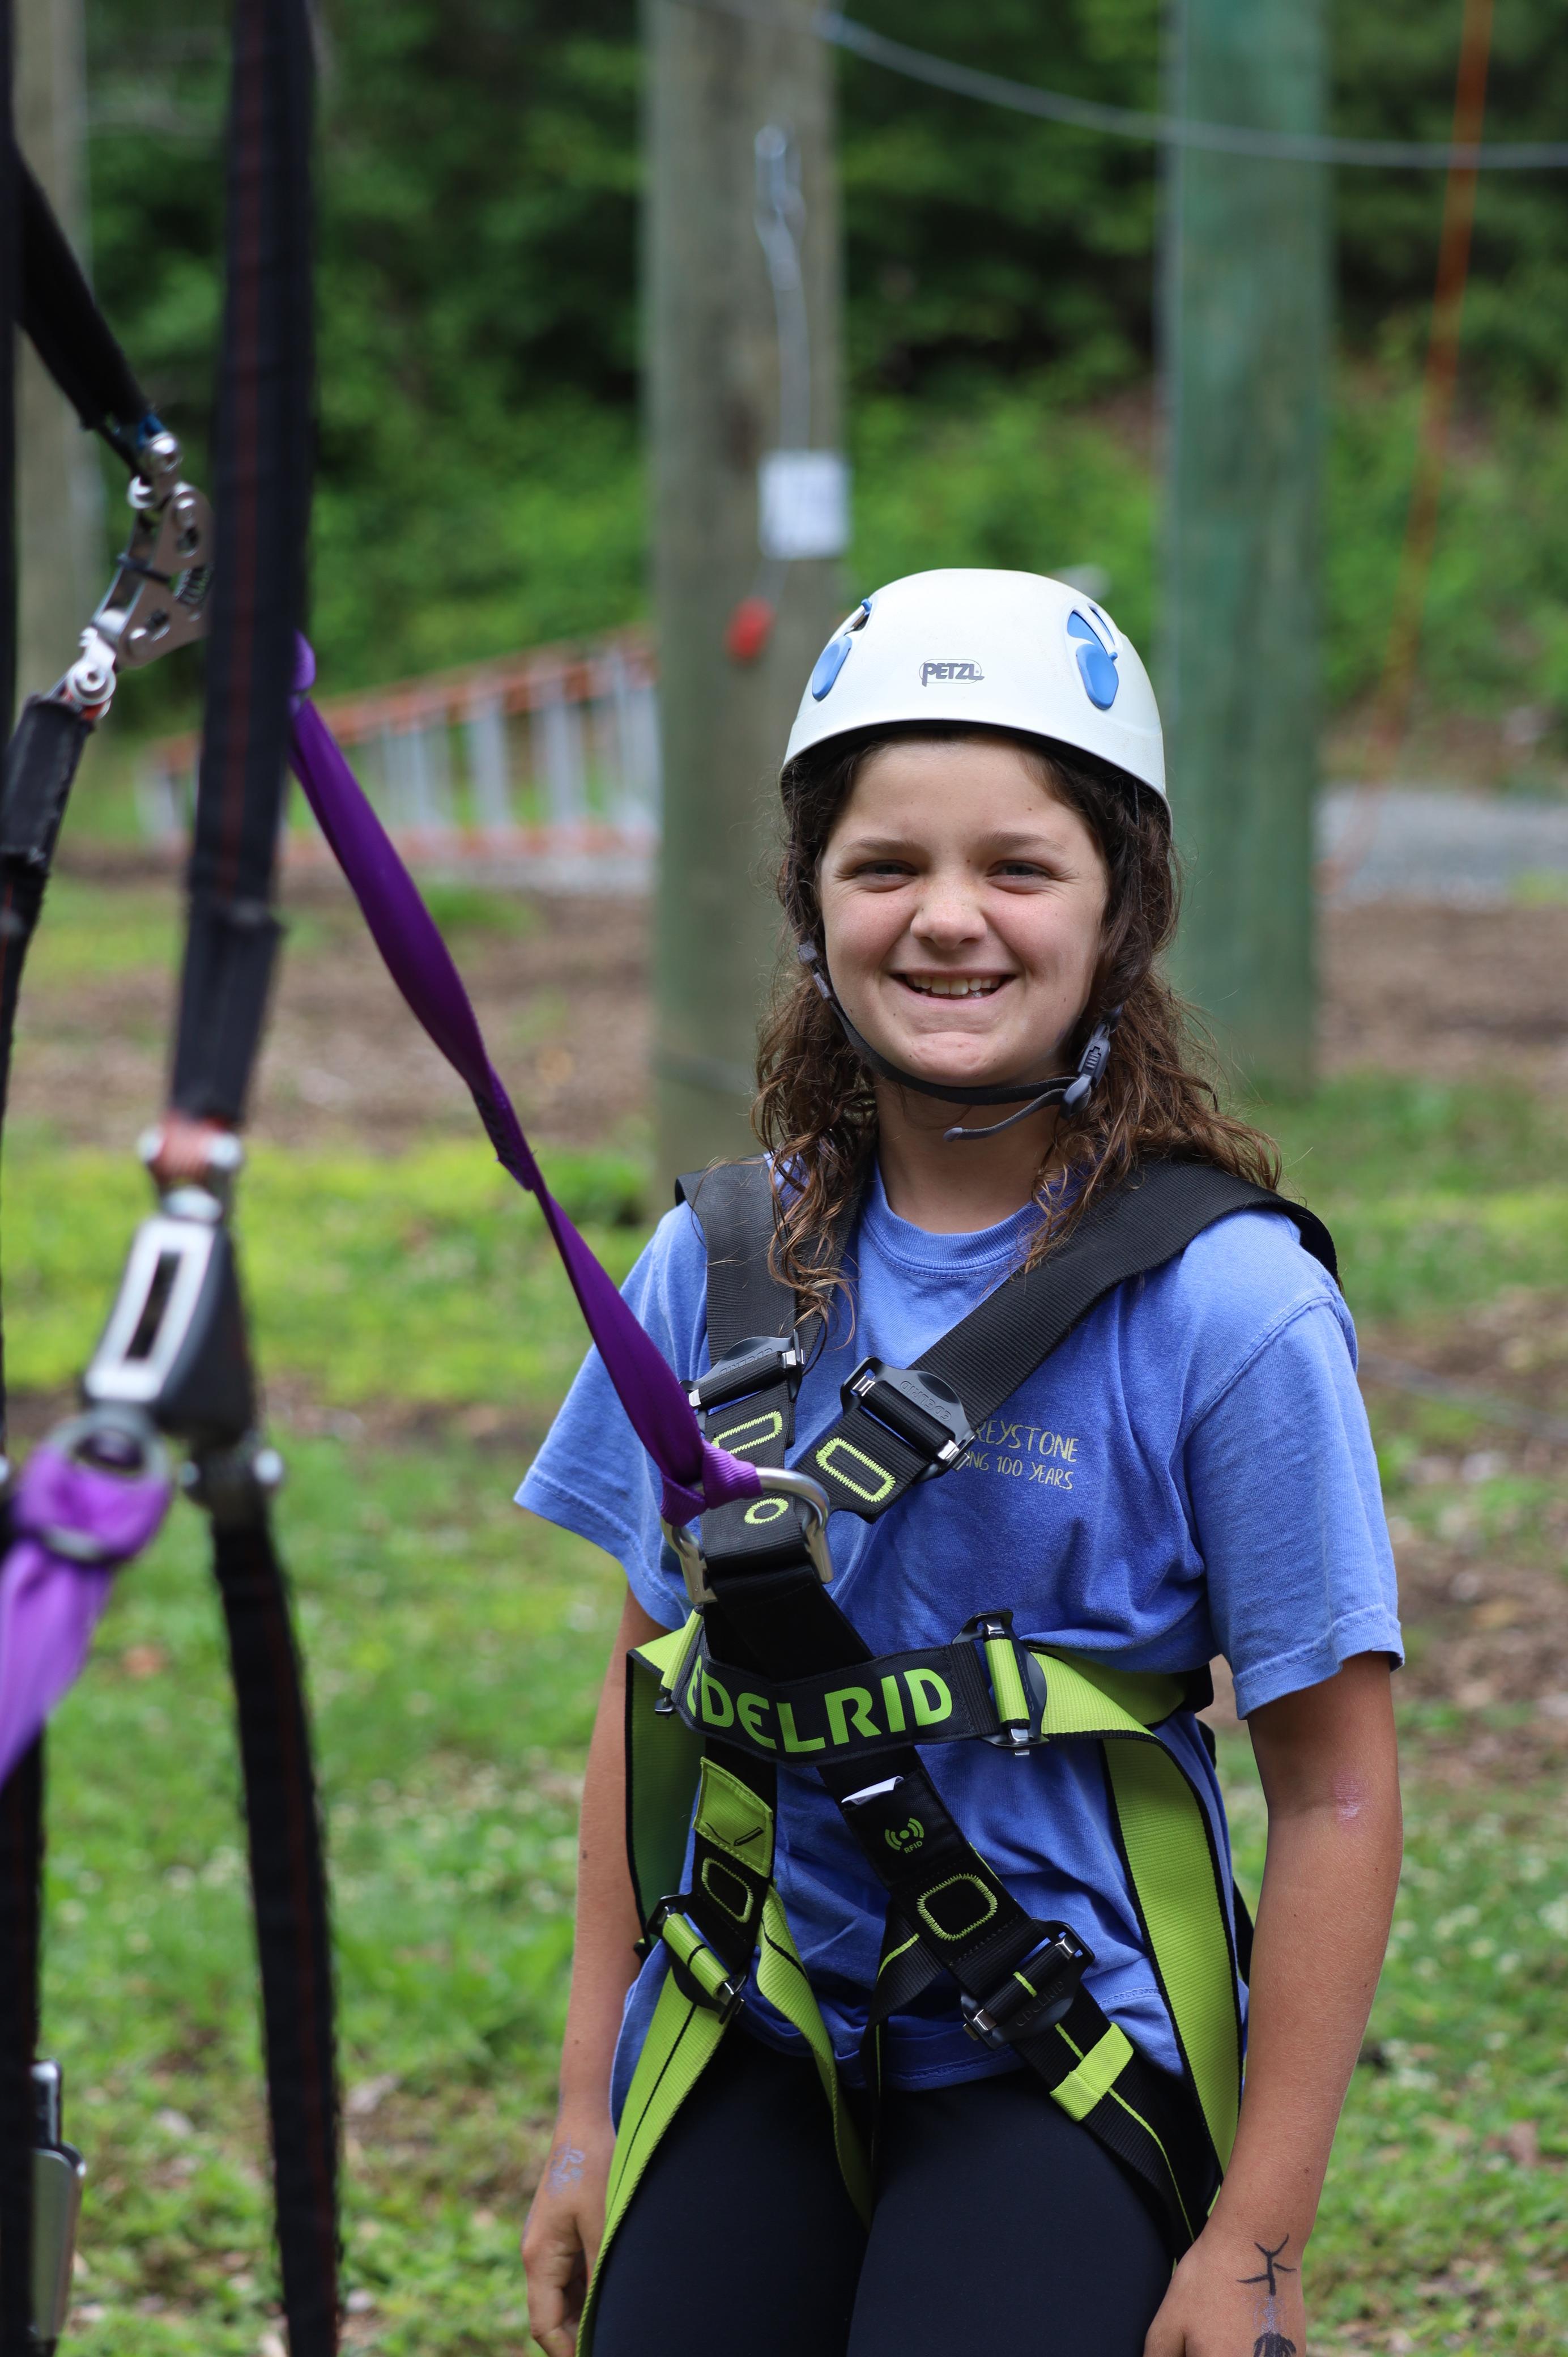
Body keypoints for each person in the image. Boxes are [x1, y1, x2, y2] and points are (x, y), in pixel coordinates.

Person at [517, 569, 1403, 2357]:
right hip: (754, 2005)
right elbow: (651, 1688)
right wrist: (591, 2113)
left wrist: (1255, 2242)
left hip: (1060, 2053)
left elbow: (1333, 1791)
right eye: (884, 867)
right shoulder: (719, 1265)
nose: (946, 920)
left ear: (1121, 905)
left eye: (1018, 867)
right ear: (812, 900)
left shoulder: (1228, 1309)